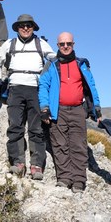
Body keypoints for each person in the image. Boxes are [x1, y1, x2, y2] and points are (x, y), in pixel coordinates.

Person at [38, 33, 101, 192]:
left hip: (78, 110)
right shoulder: (51, 64)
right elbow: (43, 85)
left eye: (68, 44)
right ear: (57, 46)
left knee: (78, 145)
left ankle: (79, 180)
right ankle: (64, 178)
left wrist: (97, 108)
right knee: (60, 145)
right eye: (62, 44)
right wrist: (44, 108)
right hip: (57, 110)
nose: (65, 47)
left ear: (73, 44)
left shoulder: (81, 64)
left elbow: (91, 86)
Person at [0, 14, 56, 180]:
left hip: (35, 88)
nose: (25, 28)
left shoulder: (40, 43)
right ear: (17, 28)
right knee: (15, 126)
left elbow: (54, 59)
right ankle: (18, 162)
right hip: (15, 88)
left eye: (29, 25)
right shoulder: (9, 44)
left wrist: (46, 76)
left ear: (33, 27)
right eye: (22, 25)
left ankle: (36, 165)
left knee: (36, 128)